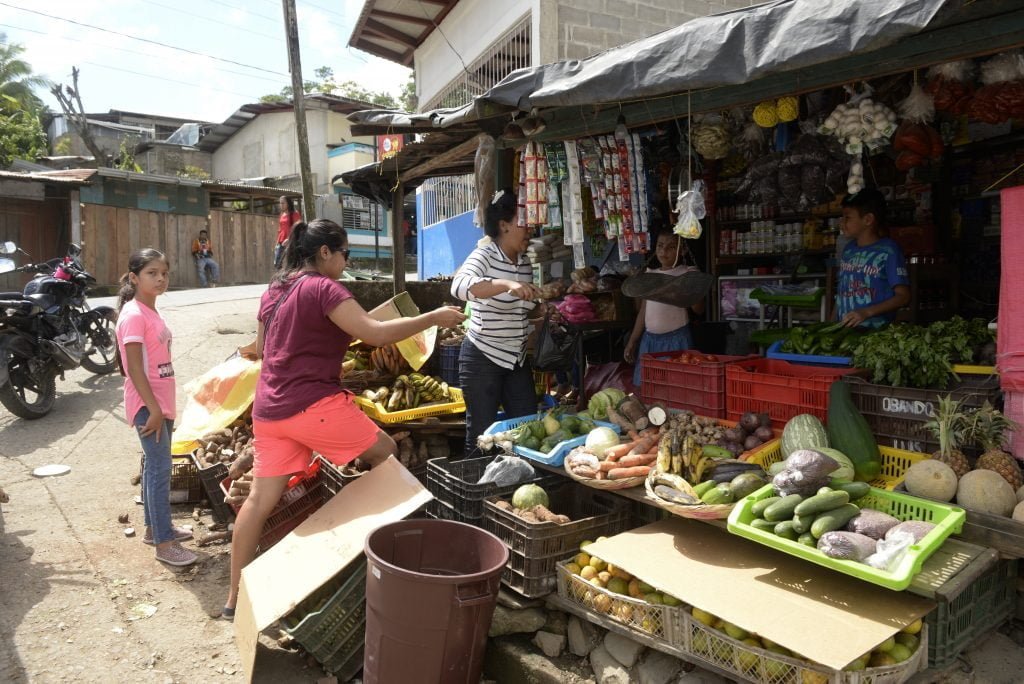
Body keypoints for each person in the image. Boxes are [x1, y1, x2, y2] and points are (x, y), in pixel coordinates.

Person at [221, 218, 464, 620]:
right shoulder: (323, 288)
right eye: (345, 253)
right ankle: (360, 547)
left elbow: (264, 348)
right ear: (325, 253)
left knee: (259, 502)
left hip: (269, 410)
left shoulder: (275, 291)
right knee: (385, 453)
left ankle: (233, 599)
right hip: (311, 404)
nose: (347, 261)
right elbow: (374, 334)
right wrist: (433, 317)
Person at [115, 248, 197, 567]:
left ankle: (156, 529)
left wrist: (161, 406)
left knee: (153, 467)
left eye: (164, 273)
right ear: (134, 278)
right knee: (161, 471)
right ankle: (165, 544)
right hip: (149, 407)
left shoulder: (150, 311)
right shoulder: (134, 314)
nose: (160, 278)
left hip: (159, 405)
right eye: (152, 273)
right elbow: (133, 368)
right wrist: (153, 408)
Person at [451, 189, 542, 456]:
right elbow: (459, 286)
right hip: (482, 357)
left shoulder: (524, 262)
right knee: (481, 436)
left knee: (525, 431)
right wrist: (505, 284)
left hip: (516, 359)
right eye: (523, 221)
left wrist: (541, 309)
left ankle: (515, 488)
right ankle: (475, 493)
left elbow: (520, 310)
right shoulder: (485, 255)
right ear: (504, 225)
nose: (530, 229)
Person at [624, 230, 706, 387]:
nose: (663, 251)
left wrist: (692, 285)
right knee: (649, 387)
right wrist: (633, 341)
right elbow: (643, 312)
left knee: (677, 387)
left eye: (671, 247)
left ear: (682, 251)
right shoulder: (650, 275)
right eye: (660, 246)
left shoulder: (687, 273)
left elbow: (698, 309)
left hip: (677, 339)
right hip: (649, 341)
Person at [835, 188, 910, 328]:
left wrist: (866, 312)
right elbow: (841, 293)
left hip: (877, 334)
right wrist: (830, 324)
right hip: (845, 332)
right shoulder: (848, 250)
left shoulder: (888, 250)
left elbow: (903, 296)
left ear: (868, 219)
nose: (842, 222)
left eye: (848, 217)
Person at [275, 196, 302, 270]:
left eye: (283, 203)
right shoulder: (282, 215)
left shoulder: (294, 214)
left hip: (291, 242)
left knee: (292, 263)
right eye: (280, 203)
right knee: (277, 262)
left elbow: (298, 228)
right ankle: (280, 279)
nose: (281, 205)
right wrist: (277, 242)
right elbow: (280, 229)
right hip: (281, 242)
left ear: (288, 203)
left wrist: (289, 239)